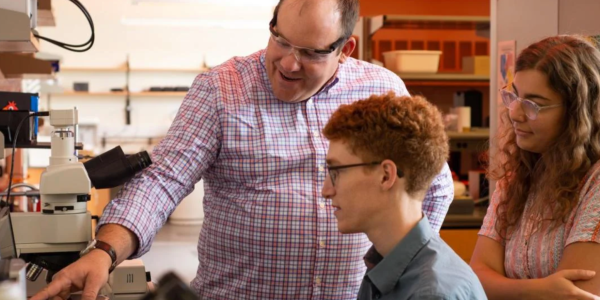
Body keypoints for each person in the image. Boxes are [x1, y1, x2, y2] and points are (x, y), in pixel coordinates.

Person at [31, 0, 454, 299]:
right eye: (281, 40)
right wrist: (104, 251)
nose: (289, 63)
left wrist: (400, 272)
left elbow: (433, 187)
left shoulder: (381, 90)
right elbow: (162, 181)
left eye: (310, 52)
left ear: (346, 50)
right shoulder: (221, 89)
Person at [470, 35, 600, 300]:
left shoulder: (595, 182)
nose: (515, 113)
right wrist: (541, 290)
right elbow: (475, 278)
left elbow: (576, 295)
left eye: (533, 104)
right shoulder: (520, 173)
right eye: (514, 96)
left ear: (579, 112)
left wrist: (503, 289)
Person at [321, 92, 486, 300]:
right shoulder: (386, 264)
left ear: (386, 175)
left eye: (336, 172)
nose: (325, 190)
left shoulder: (431, 294)